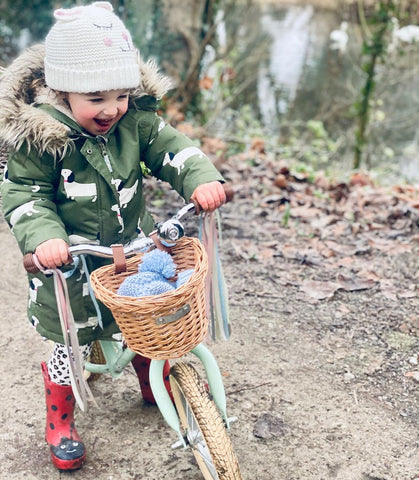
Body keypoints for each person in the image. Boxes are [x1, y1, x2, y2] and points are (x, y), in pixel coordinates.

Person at [0, 2, 226, 471]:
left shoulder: (133, 123)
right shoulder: (41, 141)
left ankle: (153, 375)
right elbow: (25, 195)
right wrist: (45, 238)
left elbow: (171, 146)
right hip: (71, 264)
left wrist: (200, 178)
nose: (112, 109)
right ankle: (60, 418)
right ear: (63, 91)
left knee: (144, 313)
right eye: (97, 98)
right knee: (72, 339)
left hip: (131, 248)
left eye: (121, 95)